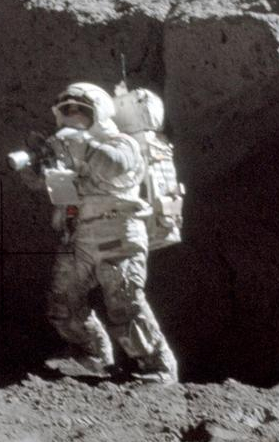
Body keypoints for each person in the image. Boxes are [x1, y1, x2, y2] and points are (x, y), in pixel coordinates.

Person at [10, 81, 178, 383]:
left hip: (119, 234)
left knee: (125, 307)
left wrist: (82, 146)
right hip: (80, 237)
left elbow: (117, 165)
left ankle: (158, 368)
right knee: (63, 305)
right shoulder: (65, 150)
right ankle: (92, 354)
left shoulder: (122, 143)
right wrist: (35, 166)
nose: (72, 114)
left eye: (80, 109)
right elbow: (48, 186)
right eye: (67, 110)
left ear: (97, 113)